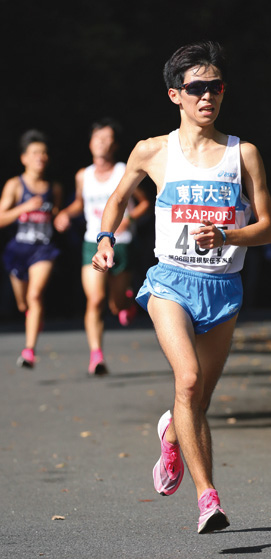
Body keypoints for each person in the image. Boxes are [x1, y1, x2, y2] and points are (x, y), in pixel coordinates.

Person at [92, 41, 271, 533]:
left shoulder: (244, 154)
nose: (207, 96)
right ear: (175, 94)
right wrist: (106, 240)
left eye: (215, 87)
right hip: (171, 280)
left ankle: (172, 434)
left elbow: (269, 229)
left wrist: (228, 235)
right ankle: (207, 498)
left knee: (196, 403)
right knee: (189, 380)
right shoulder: (153, 151)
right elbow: (115, 200)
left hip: (223, 286)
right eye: (196, 88)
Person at [54, 118, 150, 375]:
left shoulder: (123, 171)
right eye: (97, 138)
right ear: (90, 143)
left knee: (115, 305)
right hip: (92, 243)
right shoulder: (82, 175)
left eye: (107, 139)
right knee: (95, 299)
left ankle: (125, 303)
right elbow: (79, 204)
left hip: (122, 244)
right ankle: (96, 355)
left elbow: (143, 203)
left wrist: (128, 221)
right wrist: (65, 213)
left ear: (115, 145)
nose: (101, 143)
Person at [0, 130, 63, 368]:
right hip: (18, 250)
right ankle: (32, 317)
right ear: (24, 158)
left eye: (44, 153)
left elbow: (56, 216)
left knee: (35, 295)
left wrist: (61, 218)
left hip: (43, 250)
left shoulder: (52, 187)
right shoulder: (15, 185)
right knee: (23, 303)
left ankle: (29, 351)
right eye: (35, 153)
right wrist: (24, 207)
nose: (41, 157)